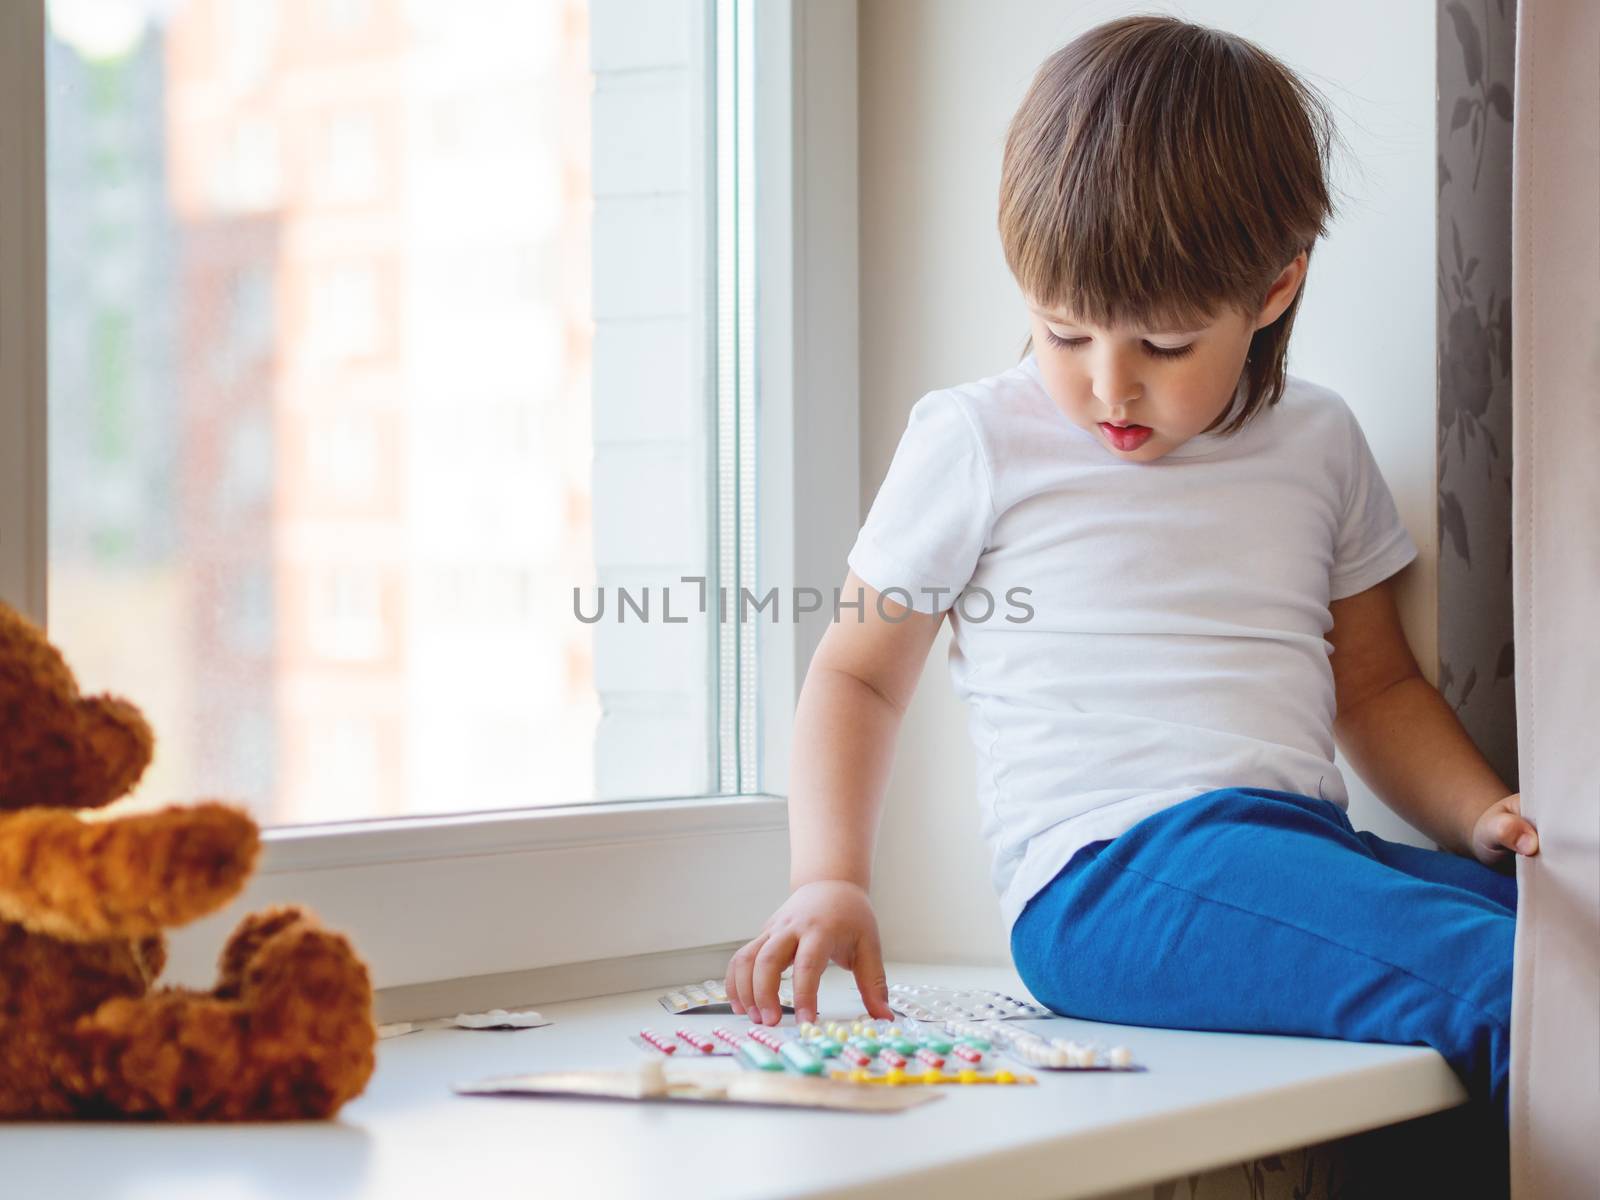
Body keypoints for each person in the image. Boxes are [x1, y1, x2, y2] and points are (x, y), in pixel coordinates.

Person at [723, 14, 1536, 1134]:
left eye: (1160, 346)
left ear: (1272, 291)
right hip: (1104, 879)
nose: (1110, 387)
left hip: (1292, 846)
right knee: (1514, 984)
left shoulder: (1319, 441)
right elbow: (857, 675)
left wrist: (1476, 810)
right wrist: (830, 877)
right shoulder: (976, 439)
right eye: (1063, 334)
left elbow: (1375, 688)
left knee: (1560, 941)